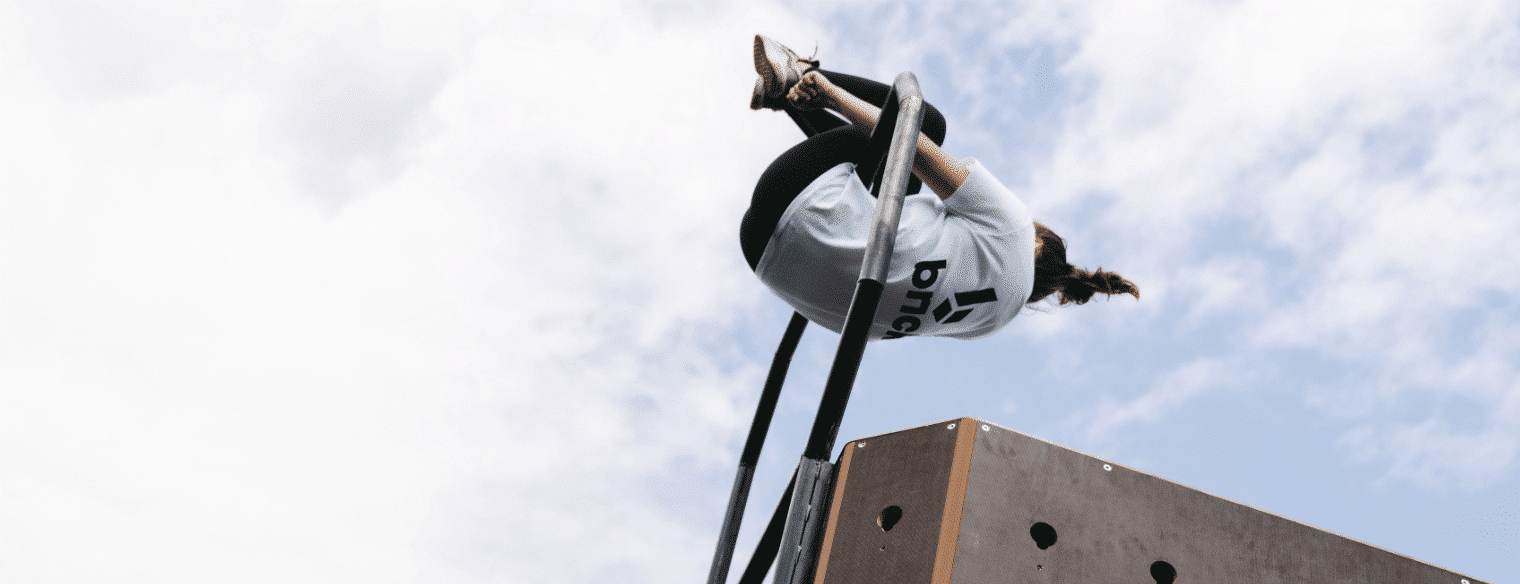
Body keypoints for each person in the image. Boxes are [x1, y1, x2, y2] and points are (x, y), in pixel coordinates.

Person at [743, 35, 1138, 340]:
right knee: (890, 203)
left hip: (794, 196)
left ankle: (801, 75)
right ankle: (786, 98)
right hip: (768, 259)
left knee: (925, 121)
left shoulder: (1014, 230)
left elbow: (914, 146)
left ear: (1037, 243)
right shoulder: (989, 323)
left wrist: (832, 97)